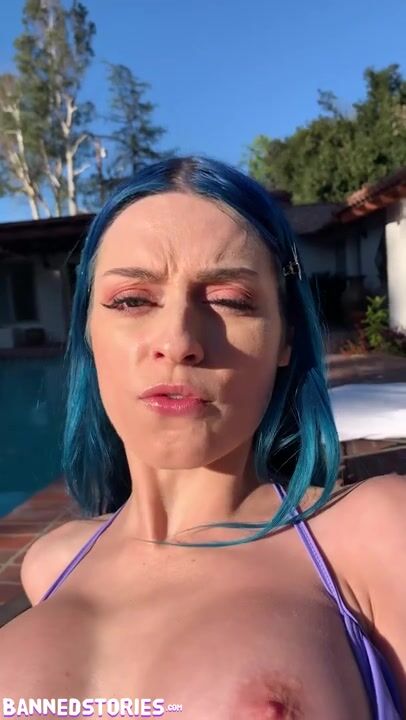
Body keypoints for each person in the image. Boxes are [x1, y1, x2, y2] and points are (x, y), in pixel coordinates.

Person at [0, 156, 404, 719]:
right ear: (88, 332)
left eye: (229, 300)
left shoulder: (373, 536)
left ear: (285, 339)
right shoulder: (49, 565)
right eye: (132, 300)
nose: (178, 340)